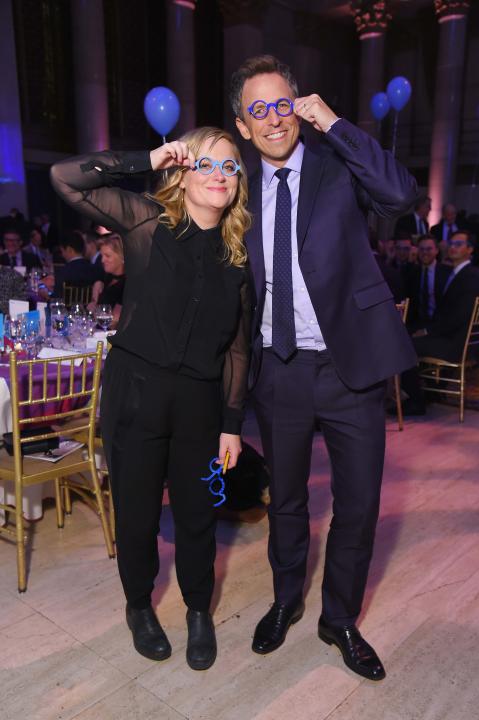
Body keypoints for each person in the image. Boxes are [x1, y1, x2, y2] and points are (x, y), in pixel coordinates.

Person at [230, 55, 417, 681]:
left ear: (299, 106)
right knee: (283, 500)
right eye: (258, 109)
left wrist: (335, 123)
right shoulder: (235, 187)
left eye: (281, 103)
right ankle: (286, 600)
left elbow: (400, 195)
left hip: (349, 366)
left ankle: (338, 617)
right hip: (276, 368)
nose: (273, 117)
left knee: (358, 504)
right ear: (243, 123)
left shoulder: (338, 164)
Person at [50, 126, 251, 671]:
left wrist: (231, 423)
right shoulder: (145, 221)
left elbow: (237, 349)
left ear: (238, 182)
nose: (217, 175)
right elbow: (65, 178)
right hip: (134, 395)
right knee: (137, 516)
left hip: (200, 406)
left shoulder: (238, 258)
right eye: (204, 163)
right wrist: (147, 158)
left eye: (229, 167)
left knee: (198, 516)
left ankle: (198, 612)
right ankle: (139, 606)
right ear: (183, 173)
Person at [401, 231, 479, 415]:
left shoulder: (470, 277)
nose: (453, 247)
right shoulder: (461, 273)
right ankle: (429, 394)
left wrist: (428, 331)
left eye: (459, 244)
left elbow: (458, 317)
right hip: (455, 338)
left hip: (456, 344)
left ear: (470, 250)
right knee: (408, 335)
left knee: (403, 345)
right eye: (451, 243)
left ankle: (416, 401)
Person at [406, 234, 452, 332]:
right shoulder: (412, 272)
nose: (425, 252)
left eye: (429, 249)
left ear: (436, 250)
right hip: (415, 326)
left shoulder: (447, 273)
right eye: (421, 249)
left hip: (440, 327)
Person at [89, 233, 125, 328]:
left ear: (123, 258)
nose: (102, 260)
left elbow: (113, 322)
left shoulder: (127, 285)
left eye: (107, 256)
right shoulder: (107, 277)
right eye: (102, 256)